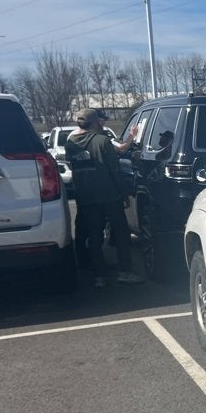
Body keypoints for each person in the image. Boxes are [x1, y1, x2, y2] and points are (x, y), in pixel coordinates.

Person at [66, 108, 143, 288]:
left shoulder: (70, 144)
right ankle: (124, 272)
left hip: (85, 197)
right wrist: (124, 193)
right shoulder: (102, 141)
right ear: (94, 122)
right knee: (122, 233)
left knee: (94, 236)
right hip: (108, 195)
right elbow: (115, 170)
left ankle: (99, 276)